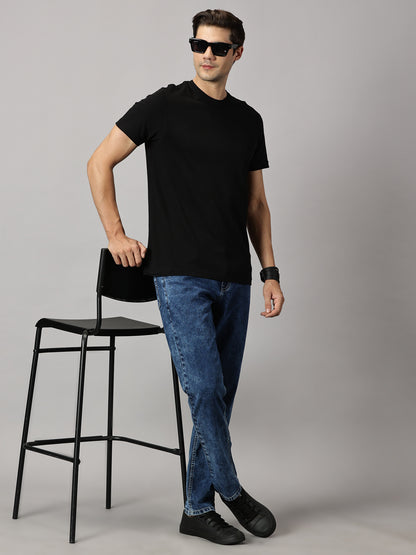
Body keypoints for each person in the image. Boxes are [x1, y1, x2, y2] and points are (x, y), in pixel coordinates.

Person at [87, 8, 284, 546]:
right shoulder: (162, 107)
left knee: (219, 397)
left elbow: (257, 204)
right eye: (199, 44)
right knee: (205, 389)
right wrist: (116, 234)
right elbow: (99, 162)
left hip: (235, 277)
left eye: (218, 47)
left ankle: (197, 510)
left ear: (237, 53)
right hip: (179, 276)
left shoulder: (248, 121)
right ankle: (233, 491)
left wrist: (269, 271)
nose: (207, 55)